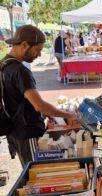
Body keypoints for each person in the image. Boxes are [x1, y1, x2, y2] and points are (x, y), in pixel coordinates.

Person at [3, 25, 77, 166]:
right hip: (27, 132)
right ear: (24, 45)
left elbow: (16, 98)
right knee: (35, 171)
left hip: (14, 131)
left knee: (30, 170)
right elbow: (39, 105)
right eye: (37, 50)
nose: (39, 55)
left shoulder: (4, 65)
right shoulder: (20, 71)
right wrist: (68, 115)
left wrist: (45, 113)